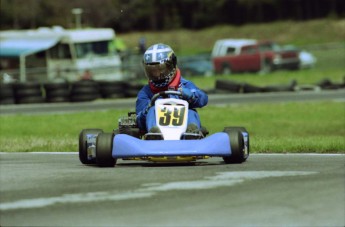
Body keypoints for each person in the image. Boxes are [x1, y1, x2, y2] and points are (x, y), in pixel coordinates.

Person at [136, 43, 208, 134]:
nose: (157, 75)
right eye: (153, 71)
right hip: (157, 133)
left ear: (172, 64)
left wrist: (192, 96)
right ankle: (155, 134)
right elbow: (139, 120)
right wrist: (148, 108)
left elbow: (204, 99)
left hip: (183, 131)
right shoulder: (145, 92)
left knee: (190, 111)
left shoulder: (184, 84)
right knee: (152, 110)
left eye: (161, 70)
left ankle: (192, 133)